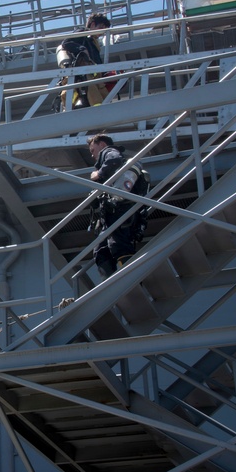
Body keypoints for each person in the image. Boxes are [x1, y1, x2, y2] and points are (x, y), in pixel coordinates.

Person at [87, 133, 149, 278]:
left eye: (92, 150)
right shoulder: (109, 172)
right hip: (109, 215)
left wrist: (98, 174)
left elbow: (114, 160)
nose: (92, 155)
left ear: (101, 145)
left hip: (120, 211)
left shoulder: (108, 152)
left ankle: (129, 282)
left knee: (119, 245)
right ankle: (111, 284)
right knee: (100, 251)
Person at [58, 14, 113, 110]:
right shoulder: (82, 33)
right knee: (94, 94)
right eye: (100, 27)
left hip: (94, 74)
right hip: (84, 75)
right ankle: (100, 110)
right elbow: (66, 42)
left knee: (103, 92)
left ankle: (106, 108)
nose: (101, 32)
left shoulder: (93, 42)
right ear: (92, 25)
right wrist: (81, 48)